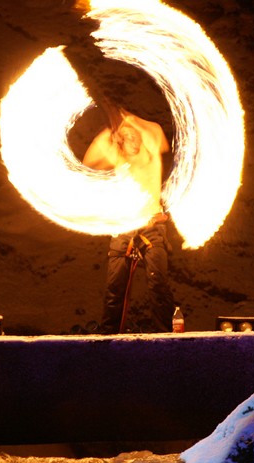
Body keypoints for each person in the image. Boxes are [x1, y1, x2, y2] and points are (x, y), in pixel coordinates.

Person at [82, 109, 176, 333]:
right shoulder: (117, 156)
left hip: (152, 226)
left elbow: (156, 132)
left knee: (158, 284)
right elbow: (88, 161)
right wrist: (110, 133)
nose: (135, 141)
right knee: (115, 287)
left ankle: (165, 337)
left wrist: (131, 120)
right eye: (128, 138)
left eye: (136, 136)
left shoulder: (150, 150)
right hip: (124, 226)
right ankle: (108, 337)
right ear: (120, 141)